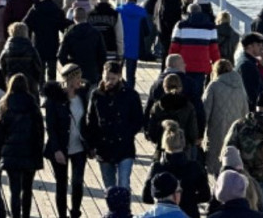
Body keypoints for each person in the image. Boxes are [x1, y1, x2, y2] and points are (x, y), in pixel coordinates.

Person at [87, 61, 145, 192]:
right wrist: (91, 145)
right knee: (110, 188)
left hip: (124, 146)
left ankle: (125, 211)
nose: (109, 82)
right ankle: (113, 211)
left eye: (113, 78)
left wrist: (128, 132)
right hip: (104, 148)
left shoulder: (130, 95)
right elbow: (91, 121)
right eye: (107, 78)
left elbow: (138, 119)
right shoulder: (96, 95)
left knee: (124, 184)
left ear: (119, 76)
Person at [0, 73, 44, 218]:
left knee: (14, 190)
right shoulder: (32, 103)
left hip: (10, 153)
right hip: (30, 152)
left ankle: (15, 215)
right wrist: (39, 151)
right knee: (27, 189)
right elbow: (40, 130)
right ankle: (26, 215)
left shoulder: (4, 103)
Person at [44, 64, 90, 218]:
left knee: (77, 182)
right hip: (60, 147)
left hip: (79, 146)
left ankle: (75, 212)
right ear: (70, 79)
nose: (80, 80)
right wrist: (56, 149)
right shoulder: (54, 99)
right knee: (61, 184)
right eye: (77, 77)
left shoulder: (83, 95)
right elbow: (51, 127)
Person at [142, 122, 210, 218]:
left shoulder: (157, 168)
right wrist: (190, 199)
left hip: (163, 214)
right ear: (183, 143)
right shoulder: (194, 167)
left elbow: (146, 197)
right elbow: (206, 195)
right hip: (189, 212)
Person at [203, 60, 250, 175]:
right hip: (236, 133)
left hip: (217, 132)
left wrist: (200, 134)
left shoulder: (213, 86)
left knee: (216, 168)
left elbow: (205, 111)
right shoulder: (240, 86)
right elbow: (246, 110)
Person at [170, 1, 221, 107]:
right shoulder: (210, 27)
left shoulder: (180, 25)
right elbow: (214, 51)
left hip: (183, 66)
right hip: (201, 67)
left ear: (188, 13)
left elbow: (174, 47)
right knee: (197, 95)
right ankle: (196, 116)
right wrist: (217, 66)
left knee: (183, 92)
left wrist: (171, 65)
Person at [146, 74, 200, 161]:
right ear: (181, 87)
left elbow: (152, 130)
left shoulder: (157, 106)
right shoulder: (188, 106)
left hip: (163, 147)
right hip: (183, 147)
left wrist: (158, 140)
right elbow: (193, 131)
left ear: (164, 87)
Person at [23, 0, 70, 84]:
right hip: (53, 42)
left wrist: (30, 36)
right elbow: (63, 26)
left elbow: (26, 24)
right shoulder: (57, 10)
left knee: (40, 66)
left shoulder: (35, 9)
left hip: (38, 41)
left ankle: (41, 87)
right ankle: (51, 85)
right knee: (52, 67)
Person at [58, 6, 108, 88]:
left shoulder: (69, 34)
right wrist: (99, 70)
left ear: (74, 18)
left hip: (75, 75)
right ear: (86, 17)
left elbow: (61, 56)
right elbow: (102, 55)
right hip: (93, 73)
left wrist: (70, 67)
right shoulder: (96, 33)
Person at [0, 23, 44, 96]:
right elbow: (38, 67)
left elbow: (2, 67)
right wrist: (37, 80)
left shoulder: (6, 50)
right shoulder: (31, 49)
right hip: (29, 82)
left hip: (11, 82)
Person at [118, 0, 150, 87]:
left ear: (126, 0)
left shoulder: (119, 10)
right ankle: (130, 92)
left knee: (116, 71)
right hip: (135, 47)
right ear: (136, 0)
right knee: (131, 75)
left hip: (120, 45)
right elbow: (146, 32)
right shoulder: (142, 12)